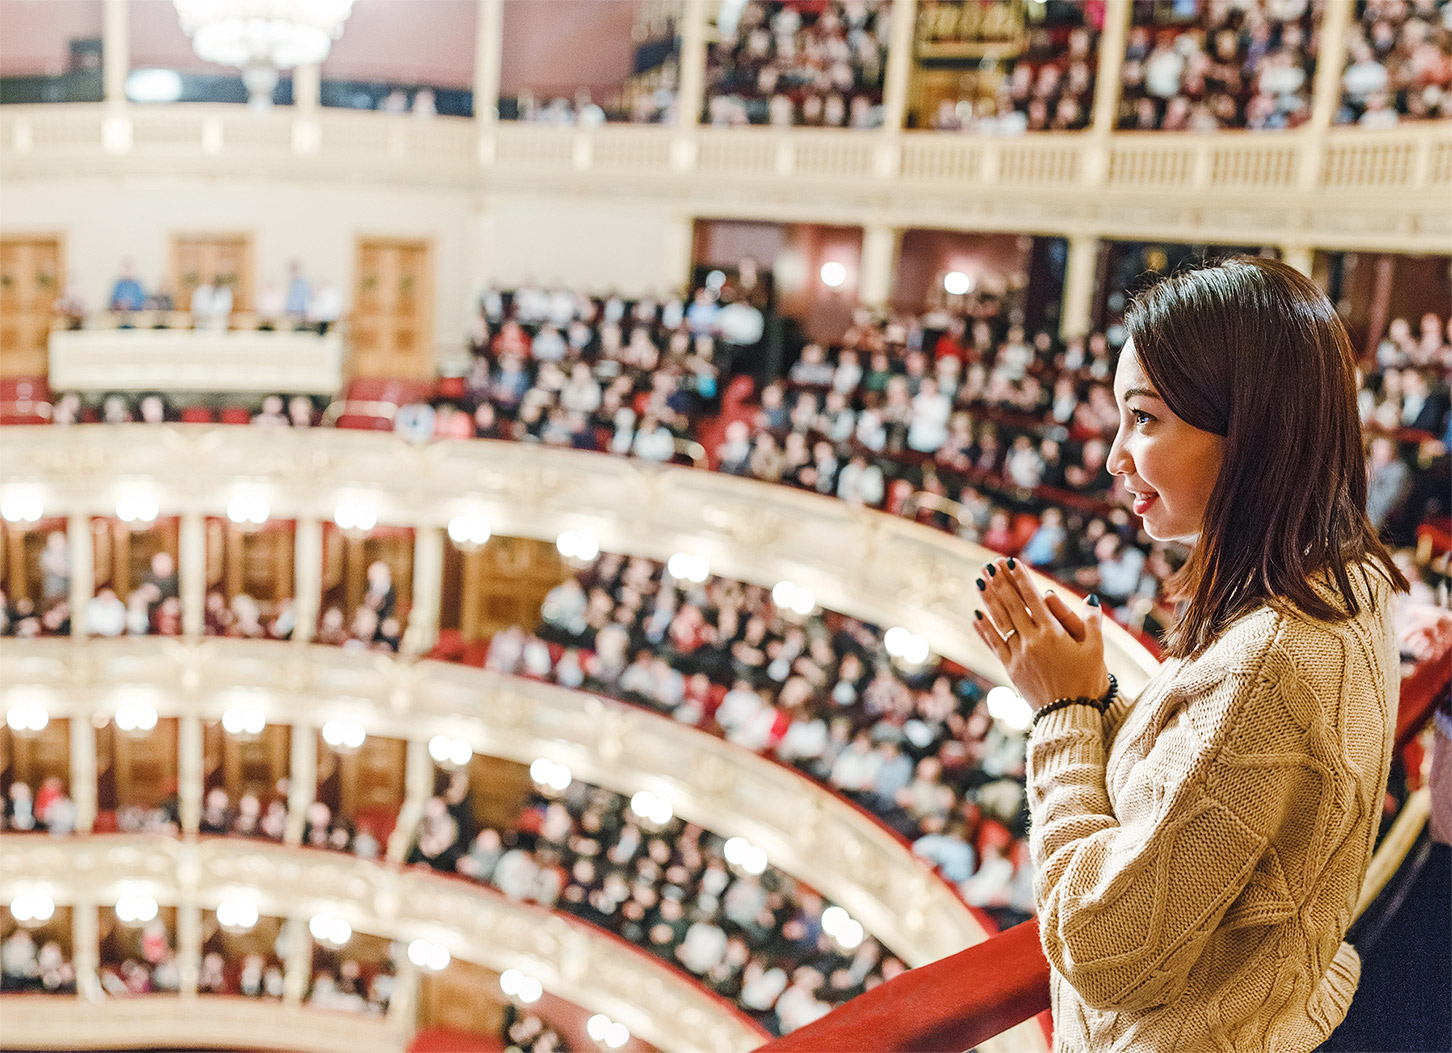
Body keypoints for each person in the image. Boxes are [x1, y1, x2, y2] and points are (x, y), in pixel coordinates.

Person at [973, 257, 1406, 1053]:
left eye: (1145, 418)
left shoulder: (1266, 661)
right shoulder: (1343, 579)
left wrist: (1064, 714)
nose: (1113, 457)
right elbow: (1208, 807)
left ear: (1252, 427)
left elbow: (1107, 950)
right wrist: (1099, 698)